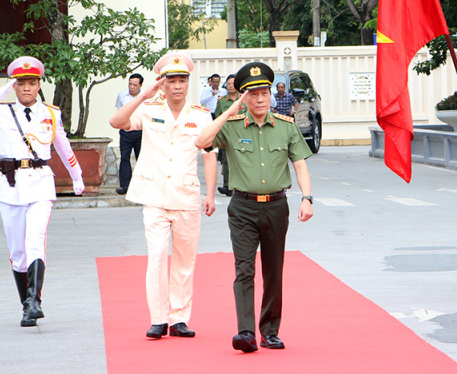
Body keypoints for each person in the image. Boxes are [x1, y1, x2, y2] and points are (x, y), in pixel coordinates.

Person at [195, 61, 314, 353]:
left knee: (273, 270)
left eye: (264, 93)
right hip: (242, 208)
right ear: (243, 97)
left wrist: (307, 197)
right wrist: (228, 112)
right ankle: (246, 332)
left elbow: (299, 164)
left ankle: (270, 331)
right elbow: (202, 141)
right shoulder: (232, 126)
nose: (260, 99)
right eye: (253, 94)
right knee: (244, 269)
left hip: (276, 207)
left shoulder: (285, 126)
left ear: (271, 95)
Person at [0, 56, 85, 327]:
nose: (27, 88)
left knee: (35, 241)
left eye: (32, 82)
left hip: (40, 183)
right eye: (21, 83)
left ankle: (34, 301)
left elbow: (64, 147)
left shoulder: (51, 113)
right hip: (10, 186)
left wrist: (77, 177)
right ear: (14, 86)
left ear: (39, 85)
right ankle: (26, 305)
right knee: (17, 251)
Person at [109, 51, 217, 340]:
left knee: (184, 260)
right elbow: (117, 122)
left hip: (186, 196)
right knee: (157, 257)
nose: (177, 85)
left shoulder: (201, 115)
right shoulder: (148, 109)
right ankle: (158, 319)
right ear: (163, 83)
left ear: (188, 83)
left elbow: (209, 156)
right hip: (154, 195)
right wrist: (143, 96)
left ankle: (179, 317)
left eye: (182, 80)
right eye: (172, 81)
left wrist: (210, 194)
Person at [214, 74, 245, 196]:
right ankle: (227, 186)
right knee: (226, 160)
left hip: (242, 135)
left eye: (233, 83)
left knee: (242, 160)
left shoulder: (244, 99)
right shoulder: (222, 101)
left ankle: (242, 184)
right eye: (228, 84)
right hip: (227, 134)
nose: (231, 86)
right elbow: (217, 119)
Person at [114, 73, 144, 195]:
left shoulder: (145, 97)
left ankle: (143, 186)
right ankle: (125, 186)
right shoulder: (122, 95)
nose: (132, 87)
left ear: (140, 85)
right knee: (124, 158)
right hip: (126, 131)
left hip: (141, 131)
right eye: (130, 84)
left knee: (141, 159)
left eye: (135, 85)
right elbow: (119, 111)